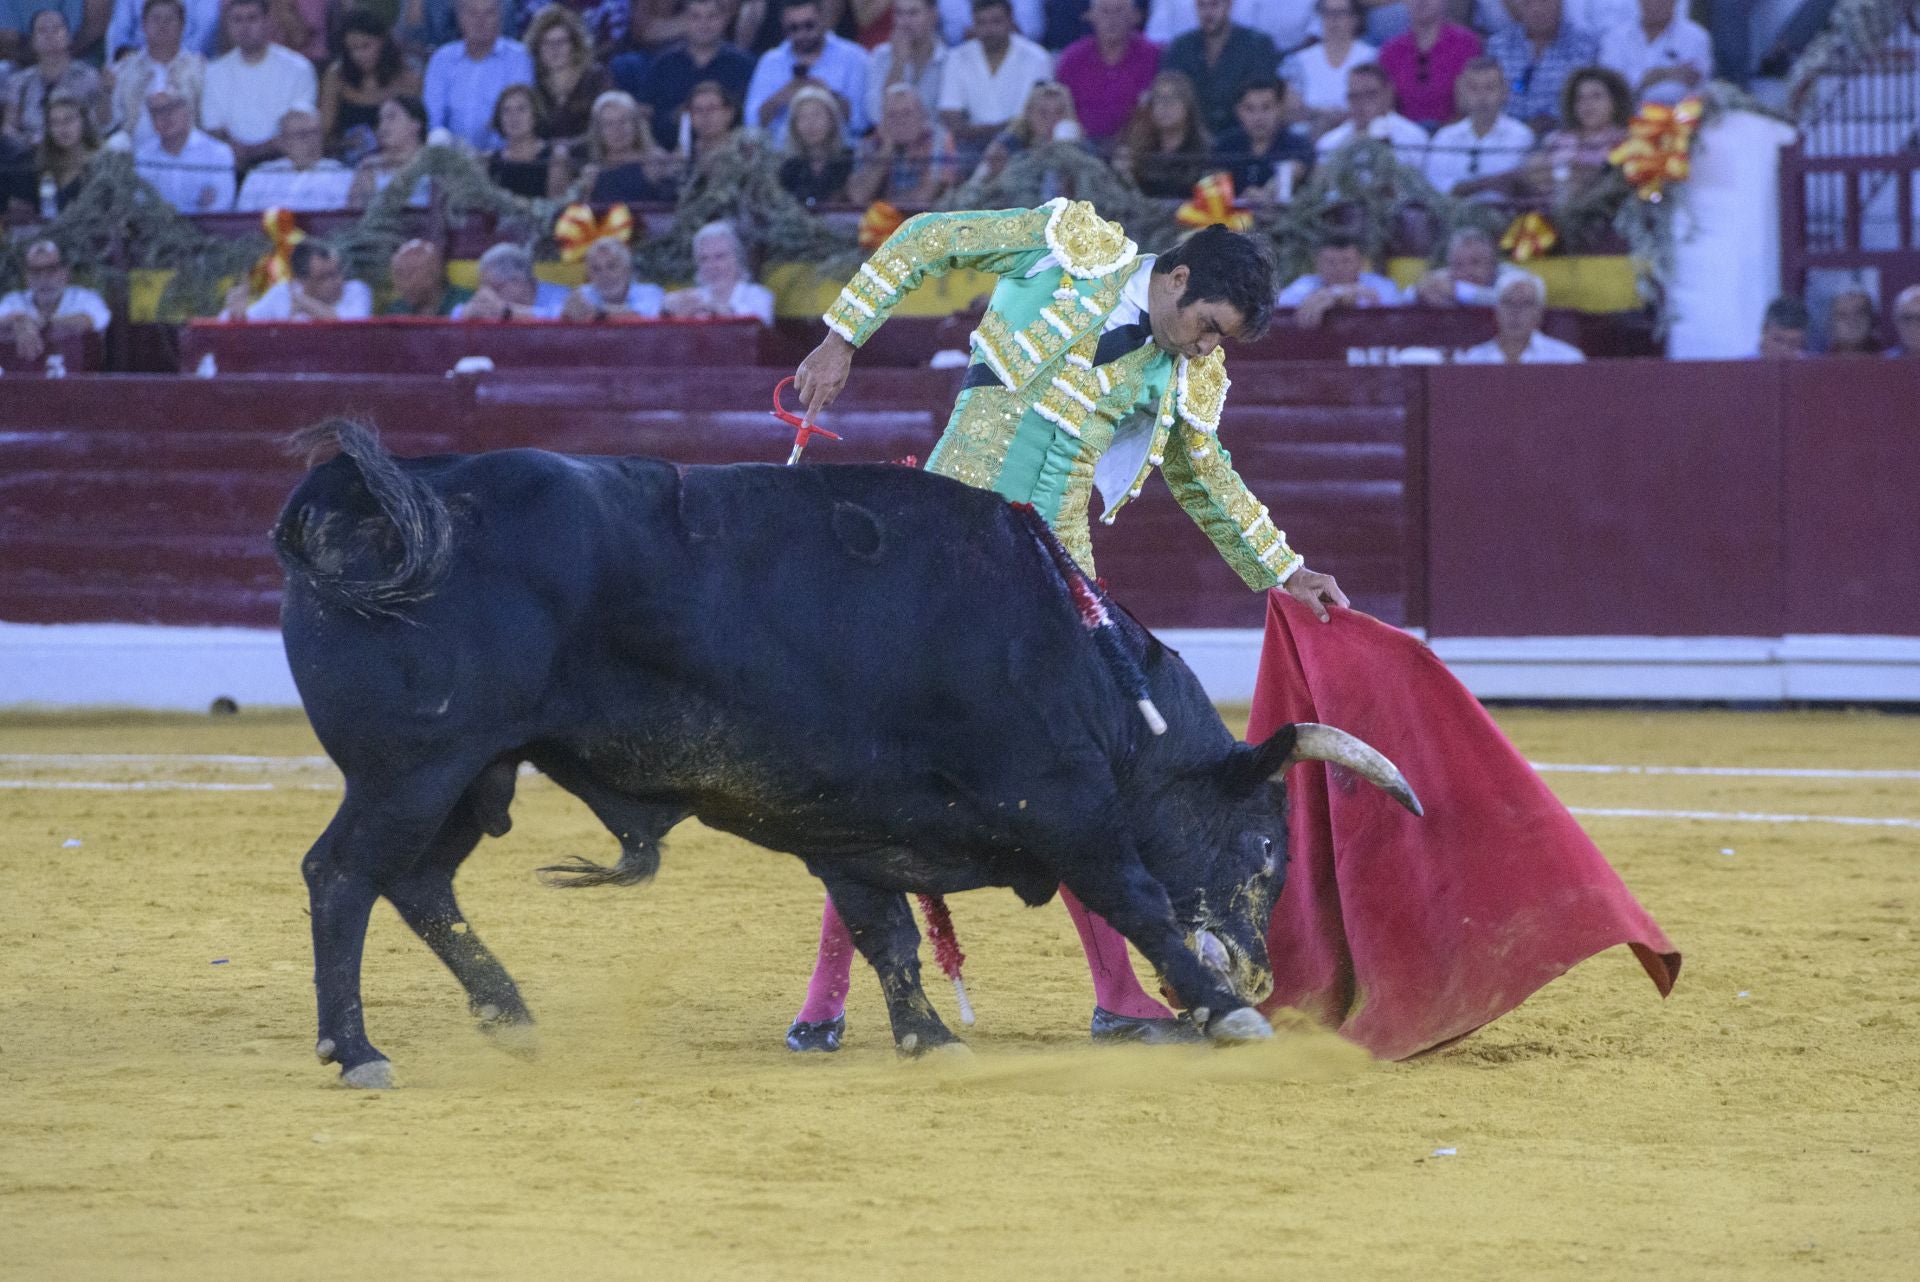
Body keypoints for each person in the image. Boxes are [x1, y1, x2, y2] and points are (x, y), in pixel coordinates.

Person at [786, 204, 1348, 1049]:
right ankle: (823, 1002)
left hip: (1057, 584)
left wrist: (1285, 569)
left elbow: (1206, 480)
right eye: (1206, 327)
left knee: (1081, 781)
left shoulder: (1185, 375)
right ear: (1178, 278)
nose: (1206, 349)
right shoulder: (1065, 246)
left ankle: (1120, 997)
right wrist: (842, 336)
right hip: (945, 552)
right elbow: (927, 240)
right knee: (890, 774)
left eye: (1219, 341)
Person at [198, 0, 318, 168]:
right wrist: (237, 154)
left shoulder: (299, 69)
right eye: (237, 20)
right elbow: (214, 128)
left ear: (268, 21)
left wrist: (251, 153)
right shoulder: (214, 72)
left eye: (252, 18)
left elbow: (300, 129)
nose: (244, 27)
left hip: (284, 166)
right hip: (232, 165)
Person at [625, 0, 755, 150]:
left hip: (730, 155)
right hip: (668, 156)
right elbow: (643, 112)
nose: (704, 24)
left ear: (724, 19)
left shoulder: (744, 65)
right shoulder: (664, 63)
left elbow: (752, 116)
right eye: (695, 17)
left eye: (712, 17)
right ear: (685, 20)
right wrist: (653, 150)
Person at [742, 0, 870, 141]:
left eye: (809, 26)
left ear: (823, 20)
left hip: (839, 154)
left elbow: (861, 122)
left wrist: (826, 95)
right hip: (781, 156)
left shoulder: (854, 57)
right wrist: (780, 98)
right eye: (793, 28)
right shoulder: (770, 61)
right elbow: (751, 123)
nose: (802, 34)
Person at [937, 0, 1054, 150]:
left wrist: (985, 132)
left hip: (1024, 148)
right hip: (971, 152)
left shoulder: (1037, 58)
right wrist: (1001, 130)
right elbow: (950, 116)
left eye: (996, 21)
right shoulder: (957, 58)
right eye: (981, 23)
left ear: (1011, 21)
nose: (989, 30)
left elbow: (1038, 118)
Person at [1161, 0, 1281, 139]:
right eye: (1202, 6)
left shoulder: (1258, 46)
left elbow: (1264, 96)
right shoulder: (1180, 48)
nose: (1208, 13)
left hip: (1242, 143)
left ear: (1229, 5)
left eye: (1214, 4)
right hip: (1191, 144)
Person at [423, 0, 534, 149]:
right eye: (472, 13)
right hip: (450, 160)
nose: (480, 21)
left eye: (488, 13)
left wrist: (491, 156)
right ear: (460, 17)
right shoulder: (442, 59)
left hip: (503, 156)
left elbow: (519, 112)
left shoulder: (518, 57)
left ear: (500, 17)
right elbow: (433, 118)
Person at [320, 8, 423, 160]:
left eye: (365, 46)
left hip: (396, 161)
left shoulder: (408, 78)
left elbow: (416, 131)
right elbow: (323, 134)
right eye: (352, 49)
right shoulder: (336, 76)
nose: (358, 55)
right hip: (344, 161)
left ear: (383, 41)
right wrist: (345, 144)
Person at [1422, 55, 1533, 195]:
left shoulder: (1522, 137)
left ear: (1504, 92)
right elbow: (1435, 190)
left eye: (1490, 88)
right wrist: (1485, 184)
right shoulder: (1444, 138)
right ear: (1462, 92)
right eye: (1473, 88)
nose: (1482, 96)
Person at [1053, 0, 1159, 144]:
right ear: (1090, 16)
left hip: (1139, 150)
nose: (1111, 20)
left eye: (1119, 11)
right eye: (1105, 12)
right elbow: (1059, 108)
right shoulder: (1072, 59)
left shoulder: (1154, 57)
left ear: (1135, 16)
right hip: (1081, 149)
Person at [1487, 0, 1598, 132]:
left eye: (1545, 2)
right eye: (1529, 3)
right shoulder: (1498, 46)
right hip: (1506, 137)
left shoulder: (1583, 46)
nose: (1537, 9)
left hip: (1564, 137)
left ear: (1560, 5)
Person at [3, 8, 108, 146]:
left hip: (78, 150)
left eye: (57, 29)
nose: (50, 35)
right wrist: (28, 142)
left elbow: (101, 123)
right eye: (42, 30)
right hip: (29, 154)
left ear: (68, 37)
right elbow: (8, 127)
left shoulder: (88, 76)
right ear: (33, 41)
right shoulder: (19, 82)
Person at [108, 0, 206, 150]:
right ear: (144, 25)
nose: (162, 25)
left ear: (182, 25)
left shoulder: (199, 69)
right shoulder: (124, 69)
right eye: (156, 19)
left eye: (169, 19)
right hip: (133, 151)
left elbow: (206, 122)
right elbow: (109, 122)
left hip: (188, 152)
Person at [1522, 64, 1628, 201]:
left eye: (1596, 97)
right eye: (1580, 98)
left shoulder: (1627, 141)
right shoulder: (1556, 140)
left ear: (1615, 101)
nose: (1588, 105)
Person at [844, 80, 957, 204]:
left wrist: (883, 206)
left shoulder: (939, 139)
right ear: (882, 119)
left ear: (922, 115)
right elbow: (858, 196)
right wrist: (886, 150)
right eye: (892, 115)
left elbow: (925, 196)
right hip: (877, 220)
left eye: (907, 113)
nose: (900, 121)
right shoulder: (870, 143)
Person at [1, 238, 111, 363]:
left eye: (51, 269)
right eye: (36, 271)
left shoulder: (85, 297)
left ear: (65, 272)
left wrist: (43, 323)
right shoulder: (14, 300)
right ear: (26, 277)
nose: (43, 278)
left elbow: (90, 321)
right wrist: (18, 319)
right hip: (24, 379)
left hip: (77, 379)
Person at [1375, 0, 1480, 129]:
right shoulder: (1389, 51)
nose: (1422, 1)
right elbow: (1385, 107)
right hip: (1404, 139)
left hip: (1457, 138)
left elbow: (1474, 101)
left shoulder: (1467, 44)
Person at [1111, 69, 1212, 199]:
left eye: (1174, 97)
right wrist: (1122, 176)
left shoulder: (1206, 151)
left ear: (1188, 104)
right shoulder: (1136, 148)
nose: (1165, 105)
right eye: (1159, 98)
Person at [1281, 0, 1376, 138]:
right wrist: (1322, 116)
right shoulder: (1298, 61)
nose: (1334, 19)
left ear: (1355, 18)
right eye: (1328, 13)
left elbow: (1375, 103)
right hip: (1309, 138)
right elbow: (1290, 111)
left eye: (1341, 13)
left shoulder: (1371, 57)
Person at [131, 86, 234, 210]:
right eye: (158, 111)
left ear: (188, 110)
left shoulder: (218, 153)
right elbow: (140, 205)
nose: (166, 116)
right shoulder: (143, 156)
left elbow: (220, 207)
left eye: (172, 108)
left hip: (204, 228)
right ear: (151, 119)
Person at [1212, 78, 1312, 204]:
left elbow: (1295, 169)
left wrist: (1266, 193)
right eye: (1250, 109)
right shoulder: (1225, 146)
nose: (1258, 117)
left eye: (1266, 107)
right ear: (1238, 111)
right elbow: (1216, 184)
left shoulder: (1297, 144)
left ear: (1279, 109)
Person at [221, 240, 375, 322]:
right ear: (302, 281)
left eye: (337, 272)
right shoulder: (283, 294)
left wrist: (303, 302)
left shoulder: (357, 290)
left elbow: (350, 327)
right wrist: (236, 316)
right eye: (325, 277)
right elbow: (244, 320)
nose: (337, 281)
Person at [968, 76, 1081, 184]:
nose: (1052, 120)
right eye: (1043, 113)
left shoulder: (1080, 150)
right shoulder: (1006, 146)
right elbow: (976, 187)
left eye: (1059, 112)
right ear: (1029, 113)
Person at [525, 3, 612, 142]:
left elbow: (608, 125)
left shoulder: (595, 77)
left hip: (591, 155)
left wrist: (568, 149)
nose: (555, 49)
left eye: (561, 42)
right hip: (544, 160)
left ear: (574, 45)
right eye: (547, 43)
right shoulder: (533, 84)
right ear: (537, 48)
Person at [1276, 232, 1403, 326]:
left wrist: (1335, 294)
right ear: (1317, 263)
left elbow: (1392, 308)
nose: (1338, 268)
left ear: (1361, 262)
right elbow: (1278, 305)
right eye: (1330, 262)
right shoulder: (1306, 284)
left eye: (1346, 261)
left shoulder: (1381, 285)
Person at [235, 108, 353, 210]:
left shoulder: (341, 173)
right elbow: (243, 220)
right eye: (302, 134)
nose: (311, 140)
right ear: (282, 142)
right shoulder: (261, 175)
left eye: (315, 132)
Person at [1313, 62, 1428, 166]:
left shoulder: (1413, 138)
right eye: (1354, 96)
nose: (1360, 103)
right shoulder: (1329, 143)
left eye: (1370, 95)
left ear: (1388, 94)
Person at [661, 218, 774, 323]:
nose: (711, 266)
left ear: (737, 259)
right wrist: (669, 310)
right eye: (704, 259)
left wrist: (713, 308)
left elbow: (752, 328)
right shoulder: (694, 299)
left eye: (720, 257)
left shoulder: (758, 296)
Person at [1455, 270, 1583, 362]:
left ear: (1539, 313)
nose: (1515, 312)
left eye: (1525, 304)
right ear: (1497, 311)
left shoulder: (1566, 359)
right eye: (1508, 303)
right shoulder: (1474, 359)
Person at [1595, 0, 1709, 99]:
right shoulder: (1616, 37)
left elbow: (1694, 83)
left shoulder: (1695, 37)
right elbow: (1610, 85)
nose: (1657, 4)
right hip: (1626, 117)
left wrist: (1652, 78)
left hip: (1678, 118)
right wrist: (1651, 77)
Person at [577, 88, 678, 201]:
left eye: (624, 121)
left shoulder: (656, 161)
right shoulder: (592, 173)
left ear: (636, 125)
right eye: (609, 124)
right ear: (598, 131)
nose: (617, 129)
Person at [864, 0, 945, 130]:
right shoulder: (880, 55)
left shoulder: (948, 59)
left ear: (933, 15)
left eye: (913, 13)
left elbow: (944, 118)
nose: (904, 22)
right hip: (892, 142)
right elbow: (875, 115)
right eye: (899, 13)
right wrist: (898, 63)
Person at [1411, 225, 1531, 306]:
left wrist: (1458, 291)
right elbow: (1401, 298)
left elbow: (1511, 301)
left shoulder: (1514, 276)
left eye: (1475, 262)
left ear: (1492, 263)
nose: (1466, 271)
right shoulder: (1444, 279)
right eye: (1458, 265)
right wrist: (1419, 293)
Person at [486, 82, 570, 197]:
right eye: (506, 110)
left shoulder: (554, 158)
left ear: (535, 114)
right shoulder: (491, 162)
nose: (513, 117)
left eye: (521, 109)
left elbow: (558, 205)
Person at [348, 93, 429, 205]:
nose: (383, 127)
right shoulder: (369, 167)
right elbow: (354, 215)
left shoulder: (435, 162)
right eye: (381, 120)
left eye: (391, 117)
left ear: (415, 124)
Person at [560, 235, 665, 320]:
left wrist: (597, 314)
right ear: (589, 276)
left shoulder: (651, 293)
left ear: (627, 269)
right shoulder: (583, 294)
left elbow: (641, 319)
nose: (604, 275)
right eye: (596, 269)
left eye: (612, 266)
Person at [777, 85, 849, 207]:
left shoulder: (849, 160)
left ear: (832, 120)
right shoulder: (789, 168)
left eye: (817, 115)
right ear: (794, 126)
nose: (810, 124)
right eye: (803, 117)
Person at [455, 240, 568, 318]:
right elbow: (456, 313)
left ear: (520, 281)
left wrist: (507, 312)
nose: (488, 296)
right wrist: (465, 314)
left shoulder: (561, 297)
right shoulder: (488, 304)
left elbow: (562, 318)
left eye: (495, 288)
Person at [34, 94, 97, 210]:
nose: (62, 128)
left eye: (68, 120)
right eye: (55, 122)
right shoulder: (45, 164)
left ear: (84, 122)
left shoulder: (100, 163)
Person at [104, 0, 222, 60]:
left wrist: (166, 59)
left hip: (187, 63)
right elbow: (119, 33)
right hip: (136, 61)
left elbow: (204, 33)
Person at [381, 237, 471, 314]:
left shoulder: (466, 303)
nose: (403, 283)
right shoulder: (397, 311)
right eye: (399, 274)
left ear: (434, 272)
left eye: (410, 273)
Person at [512, 0, 630, 51]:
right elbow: (527, 40)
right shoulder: (534, 4)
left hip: (598, 63)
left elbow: (615, 41)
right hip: (541, 66)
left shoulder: (612, 4)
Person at [1824, 288, 1882, 357]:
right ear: (1832, 324)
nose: (1852, 320)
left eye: (1859, 313)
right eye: (1843, 315)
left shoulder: (1889, 358)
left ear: (1872, 320)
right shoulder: (1818, 365)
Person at [1755, 295, 1809, 360]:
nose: (1784, 349)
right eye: (1778, 340)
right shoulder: (1742, 368)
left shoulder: (1814, 368)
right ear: (1764, 329)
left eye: (1793, 343)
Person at [1885, 284, 1920, 358]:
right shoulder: (1881, 363)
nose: (1914, 325)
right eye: (1907, 318)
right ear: (1896, 322)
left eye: (1919, 318)